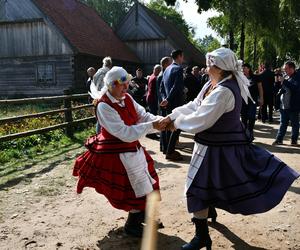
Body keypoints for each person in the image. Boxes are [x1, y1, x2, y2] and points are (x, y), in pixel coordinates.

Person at [158, 48, 299, 250]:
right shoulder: (212, 84)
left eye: (209, 64)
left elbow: (201, 120)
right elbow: (195, 105)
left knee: (196, 189)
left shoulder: (224, 91)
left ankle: (202, 237)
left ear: (219, 67)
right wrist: (172, 116)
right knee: (205, 186)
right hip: (212, 146)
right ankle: (208, 212)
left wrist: (176, 123)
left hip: (218, 149)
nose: (206, 68)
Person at [73, 67, 163, 238]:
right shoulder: (104, 106)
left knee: (147, 181)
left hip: (131, 148)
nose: (126, 88)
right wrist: (154, 126)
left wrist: (160, 121)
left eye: (127, 84)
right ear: (111, 86)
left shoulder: (126, 98)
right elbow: (124, 133)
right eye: (122, 85)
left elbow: (142, 116)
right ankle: (132, 225)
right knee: (132, 187)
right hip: (116, 153)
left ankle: (142, 216)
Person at [160, 49, 185, 161]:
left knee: (167, 127)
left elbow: (161, 87)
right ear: (179, 56)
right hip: (175, 103)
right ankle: (170, 152)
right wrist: (168, 99)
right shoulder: (178, 69)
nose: (183, 59)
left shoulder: (166, 69)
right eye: (182, 56)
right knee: (176, 126)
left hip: (167, 102)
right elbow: (177, 87)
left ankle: (166, 149)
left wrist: (164, 99)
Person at [273, 61, 300, 146]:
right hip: (283, 105)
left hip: (293, 106)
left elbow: (296, 88)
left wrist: (284, 81)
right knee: (282, 124)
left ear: (292, 69)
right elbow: (280, 89)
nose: (285, 71)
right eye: (284, 69)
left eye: (286, 69)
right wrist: (277, 82)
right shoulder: (286, 76)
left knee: (294, 124)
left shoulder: (297, 77)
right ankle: (279, 139)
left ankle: (294, 140)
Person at [241, 63, 264, 139]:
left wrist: (261, 98)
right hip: (243, 100)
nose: (243, 69)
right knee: (243, 118)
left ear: (249, 68)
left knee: (251, 117)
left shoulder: (256, 77)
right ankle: (244, 134)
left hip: (253, 101)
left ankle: (250, 132)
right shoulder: (240, 77)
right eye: (242, 68)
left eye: (245, 68)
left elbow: (260, 88)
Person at [157, 56, 172, 154]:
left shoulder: (162, 74)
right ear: (166, 64)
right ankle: (165, 147)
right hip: (164, 104)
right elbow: (161, 91)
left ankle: (163, 146)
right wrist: (164, 101)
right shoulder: (163, 75)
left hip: (163, 103)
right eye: (170, 63)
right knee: (165, 126)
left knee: (164, 126)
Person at [146, 64, 162, 140]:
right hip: (152, 99)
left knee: (151, 115)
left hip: (150, 98)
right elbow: (157, 92)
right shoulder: (155, 78)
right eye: (160, 70)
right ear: (157, 70)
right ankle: (151, 134)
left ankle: (150, 133)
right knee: (153, 116)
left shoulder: (151, 76)